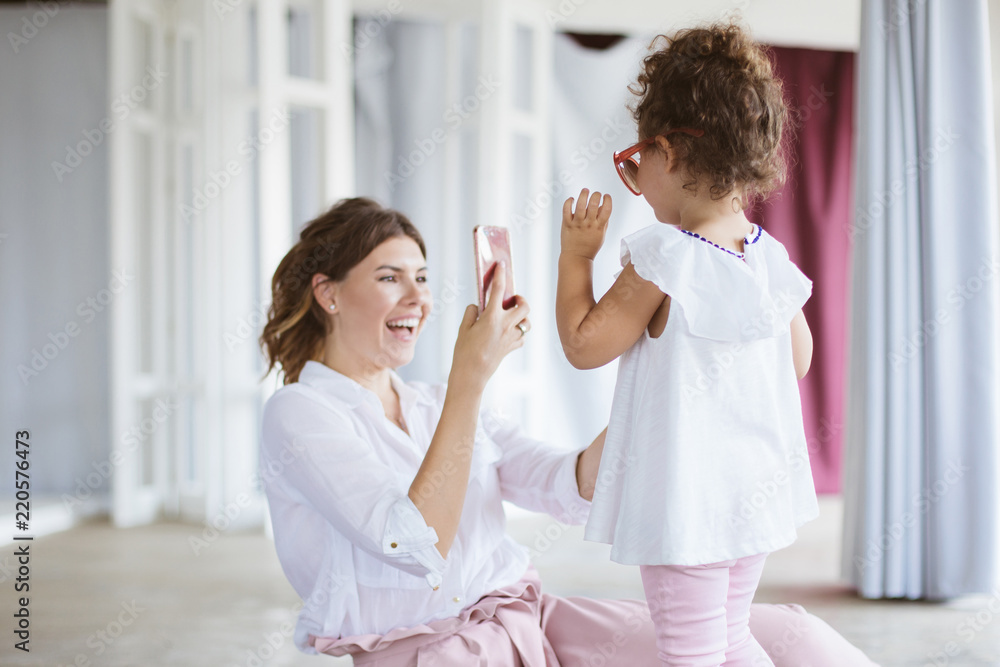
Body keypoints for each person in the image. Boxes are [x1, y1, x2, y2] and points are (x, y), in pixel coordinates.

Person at [257, 196, 877, 665]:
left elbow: (556, 480)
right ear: (328, 294)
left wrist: (667, 404)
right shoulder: (300, 415)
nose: (416, 297)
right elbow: (413, 543)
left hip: (532, 620)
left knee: (792, 636)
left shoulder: (433, 403)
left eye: (422, 278)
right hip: (429, 652)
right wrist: (471, 380)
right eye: (390, 277)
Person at [554, 22, 836, 666]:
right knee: (730, 638)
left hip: (687, 509)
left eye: (637, 161)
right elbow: (799, 361)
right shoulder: (772, 260)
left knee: (691, 651)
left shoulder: (663, 257)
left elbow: (583, 345)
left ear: (670, 153)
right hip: (752, 506)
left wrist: (577, 258)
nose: (637, 175)